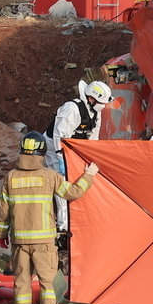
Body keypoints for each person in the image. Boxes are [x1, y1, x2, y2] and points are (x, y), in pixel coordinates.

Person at [0, 131, 99, 304]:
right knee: (48, 282)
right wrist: (89, 175)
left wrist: (1, 234)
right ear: (42, 153)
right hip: (43, 242)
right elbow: (73, 193)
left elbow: (3, 210)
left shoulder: (10, 177)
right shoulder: (50, 176)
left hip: (19, 241)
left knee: (22, 281)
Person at [48, 79, 113, 231]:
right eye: (100, 103)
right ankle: (64, 227)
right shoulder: (72, 109)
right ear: (91, 98)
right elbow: (59, 135)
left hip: (72, 148)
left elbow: (93, 137)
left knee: (80, 180)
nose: (102, 106)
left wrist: (91, 157)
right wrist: (61, 159)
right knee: (62, 184)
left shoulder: (95, 112)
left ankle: (77, 220)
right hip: (54, 148)